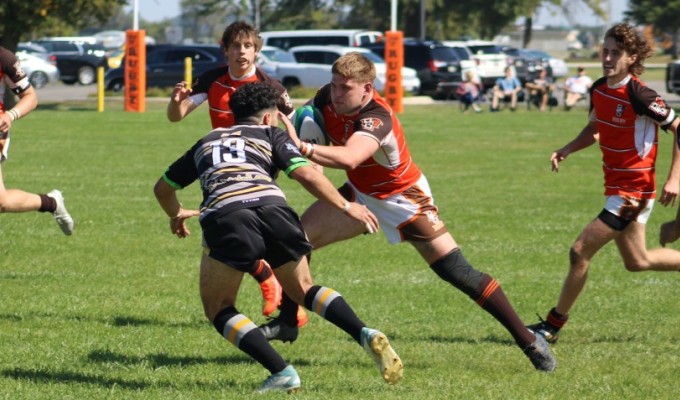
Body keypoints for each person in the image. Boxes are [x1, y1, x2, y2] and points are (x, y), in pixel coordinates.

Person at [261, 52, 556, 372]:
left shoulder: (377, 117)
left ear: (367, 88)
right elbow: (310, 122)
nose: (336, 93)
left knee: (457, 271)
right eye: (333, 86)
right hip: (361, 193)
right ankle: (289, 320)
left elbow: (349, 157)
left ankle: (527, 339)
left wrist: (301, 148)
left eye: (345, 88)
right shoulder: (327, 97)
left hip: (404, 199)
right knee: (296, 241)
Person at [153, 82, 403, 393]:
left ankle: (281, 371)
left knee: (218, 307)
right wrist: (346, 206)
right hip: (276, 211)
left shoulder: (207, 140)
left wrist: (176, 213)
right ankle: (364, 332)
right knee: (303, 289)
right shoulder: (272, 134)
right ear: (269, 118)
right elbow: (306, 174)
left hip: (228, 216)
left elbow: (163, 188)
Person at [528, 22, 680, 345]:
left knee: (579, 250)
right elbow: (595, 129)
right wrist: (567, 148)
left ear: (631, 58)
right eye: (605, 51)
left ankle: (551, 327)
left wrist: (674, 178)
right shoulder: (598, 88)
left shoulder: (640, 94)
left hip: (633, 192)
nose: (608, 58)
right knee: (638, 261)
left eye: (616, 53)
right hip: (616, 187)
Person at [166, 21, 295, 321]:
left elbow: (294, 126)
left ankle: (277, 289)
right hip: (220, 164)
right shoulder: (213, 80)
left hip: (259, 168)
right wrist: (175, 104)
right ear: (225, 50)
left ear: (256, 50)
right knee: (231, 231)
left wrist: (305, 159)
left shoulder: (270, 87)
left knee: (232, 230)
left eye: (248, 46)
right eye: (236, 45)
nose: (242, 52)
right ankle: (271, 282)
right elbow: (177, 116)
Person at [0, 45, 73, 235]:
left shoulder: (4, 58)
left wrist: (10, 115)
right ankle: (51, 202)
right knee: (3, 202)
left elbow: (30, 97)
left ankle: (50, 202)